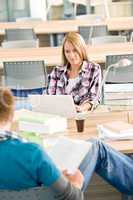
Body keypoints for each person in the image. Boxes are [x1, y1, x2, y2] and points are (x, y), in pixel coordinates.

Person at [0, 87, 133, 198]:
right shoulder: (31, 152)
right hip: (58, 193)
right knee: (95, 145)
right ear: (12, 116)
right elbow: (72, 197)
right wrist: (75, 184)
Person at [47, 32, 101, 112]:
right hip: (60, 115)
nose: (71, 56)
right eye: (67, 51)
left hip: (82, 116)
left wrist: (81, 108)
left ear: (82, 49)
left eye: (75, 50)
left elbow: (94, 99)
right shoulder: (57, 71)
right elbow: (49, 97)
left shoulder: (94, 69)